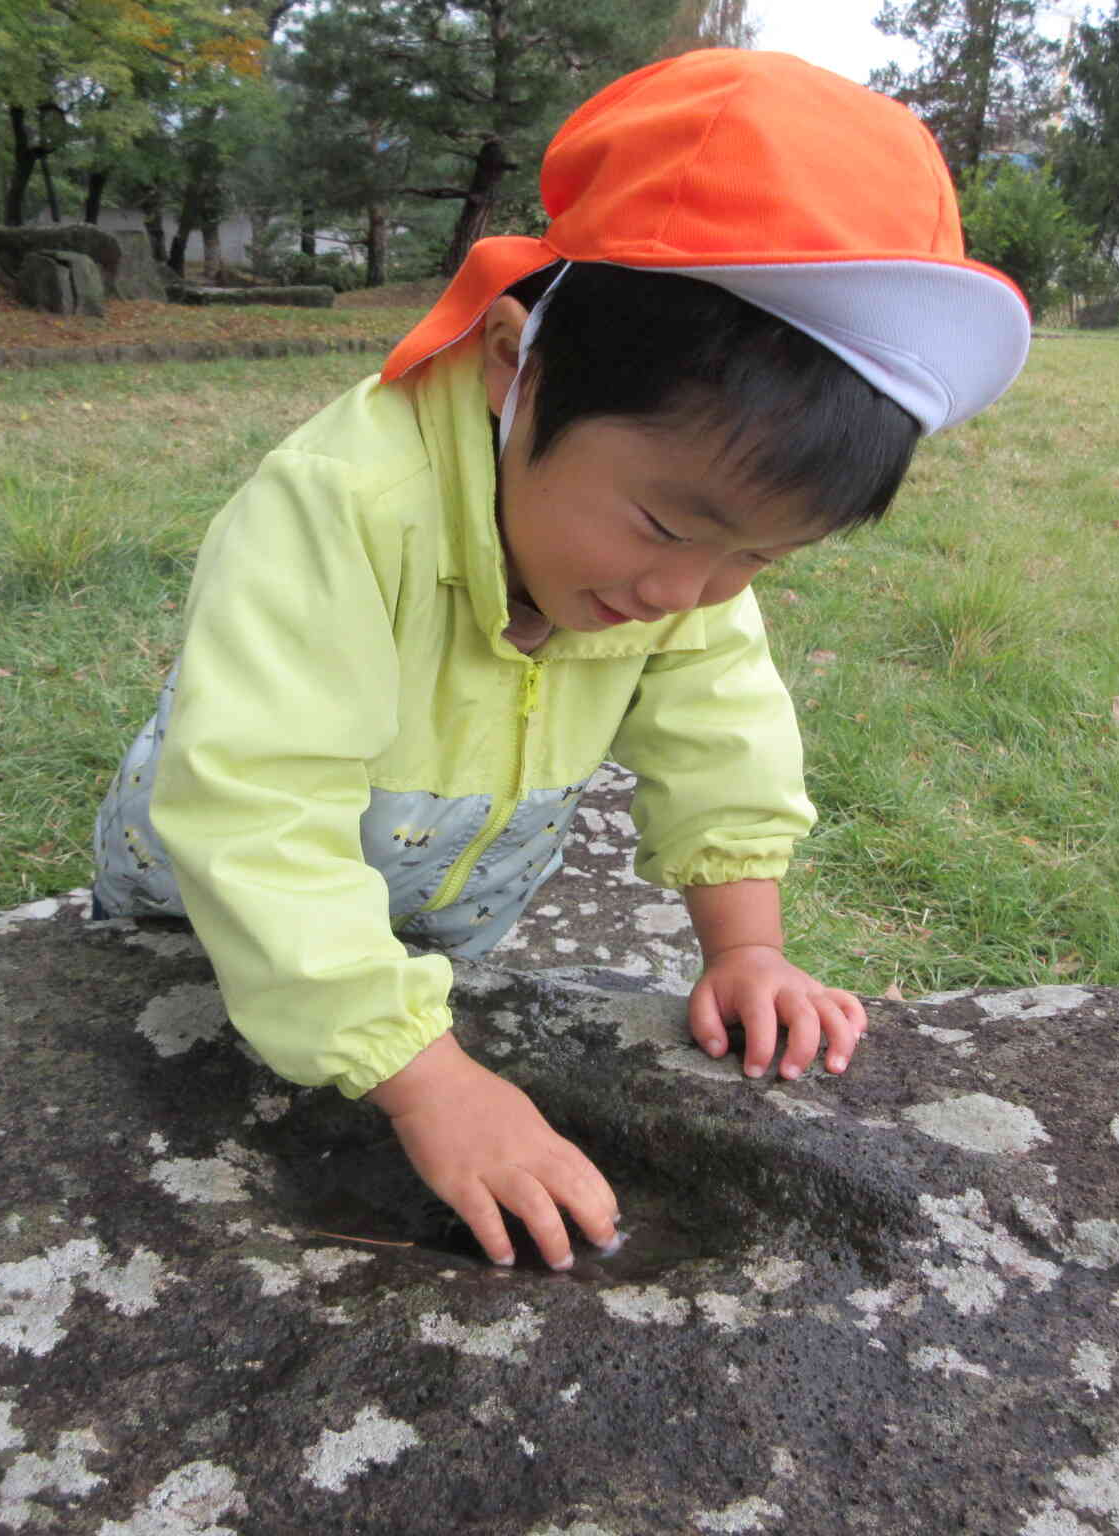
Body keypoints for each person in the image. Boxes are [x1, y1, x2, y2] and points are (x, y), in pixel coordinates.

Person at [92, 49, 1029, 1273]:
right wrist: (429, 1085)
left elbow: (718, 725)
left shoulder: (683, 568)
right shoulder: (340, 507)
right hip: (199, 910)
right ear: (508, 361)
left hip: (434, 930)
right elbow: (253, 815)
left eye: (757, 562)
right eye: (663, 528)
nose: (678, 595)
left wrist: (745, 947)